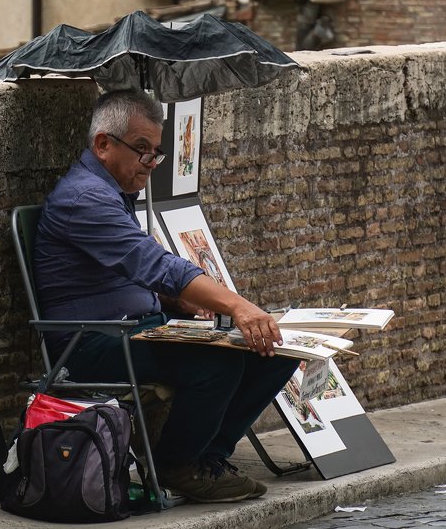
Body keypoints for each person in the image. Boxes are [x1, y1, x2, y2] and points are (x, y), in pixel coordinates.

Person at [33, 88, 299, 503]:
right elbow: (156, 265)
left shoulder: (112, 193)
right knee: (217, 362)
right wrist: (239, 306)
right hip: (88, 343)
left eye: (155, 151)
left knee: (275, 350)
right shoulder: (85, 198)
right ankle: (178, 465)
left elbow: (130, 273)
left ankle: (208, 458)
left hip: (136, 329)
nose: (150, 163)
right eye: (142, 150)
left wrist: (176, 302)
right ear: (103, 144)